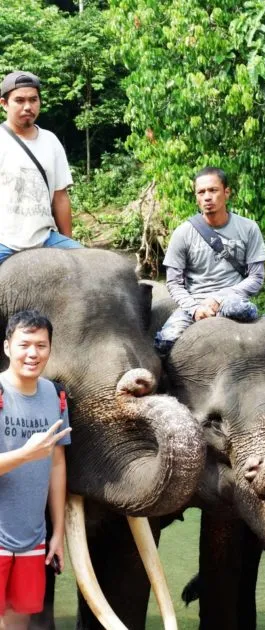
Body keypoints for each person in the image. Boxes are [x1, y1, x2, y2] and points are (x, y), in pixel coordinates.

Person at [0, 310, 72, 628]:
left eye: (41, 345)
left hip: (33, 539)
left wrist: (57, 533)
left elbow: (56, 463)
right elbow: (36, 456)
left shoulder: (54, 396)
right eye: (24, 344)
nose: (33, 353)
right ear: (7, 347)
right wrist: (26, 455)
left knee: (18, 623)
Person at [154, 166, 265, 355]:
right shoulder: (183, 233)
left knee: (238, 310)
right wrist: (195, 309)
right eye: (201, 192)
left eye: (213, 190)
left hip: (232, 301)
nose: (207, 197)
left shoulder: (249, 228)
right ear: (196, 197)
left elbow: (256, 277)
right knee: (163, 342)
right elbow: (174, 282)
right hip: (195, 303)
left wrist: (218, 299)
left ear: (226, 193)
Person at [0, 71, 82, 265]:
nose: (27, 107)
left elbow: (60, 196)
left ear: (40, 102)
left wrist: (69, 243)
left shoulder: (51, 141)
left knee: (92, 269)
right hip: (4, 240)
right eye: (19, 100)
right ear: (3, 104)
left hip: (45, 238)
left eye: (33, 100)